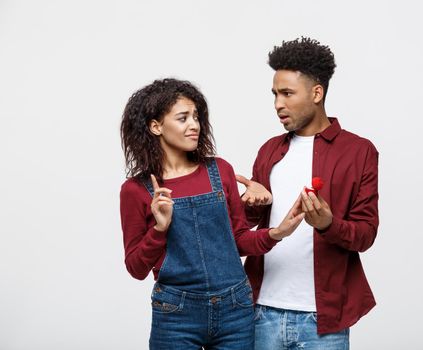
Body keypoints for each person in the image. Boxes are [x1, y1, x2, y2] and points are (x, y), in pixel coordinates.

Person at [119, 78, 304, 349]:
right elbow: (136, 268)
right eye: (183, 118)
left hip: (235, 307)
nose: (194, 125)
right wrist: (159, 229)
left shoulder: (220, 170)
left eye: (196, 117)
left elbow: (238, 240)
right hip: (175, 314)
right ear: (155, 126)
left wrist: (276, 233)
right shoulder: (135, 190)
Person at [236, 37, 380, 349]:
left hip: (323, 321)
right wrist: (250, 202)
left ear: (317, 93)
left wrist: (329, 224)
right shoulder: (270, 150)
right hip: (261, 313)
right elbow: (245, 229)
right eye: (275, 94)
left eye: (287, 93)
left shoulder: (359, 151)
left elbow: (366, 234)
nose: (278, 104)